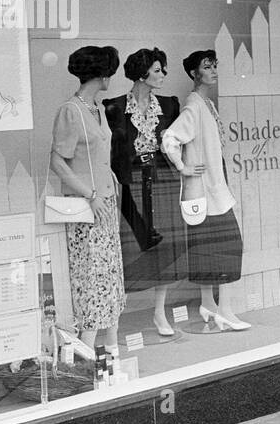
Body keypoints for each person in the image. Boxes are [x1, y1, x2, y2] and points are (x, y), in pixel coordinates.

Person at [161, 50, 250, 331]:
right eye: (207, 67)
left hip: (213, 185)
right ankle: (224, 309)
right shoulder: (194, 105)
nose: (213, 71)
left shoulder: (204, 103)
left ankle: (209, 305)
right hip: (207, 189)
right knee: (227, 245)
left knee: (209, 247)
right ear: (193, 73)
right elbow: (170, 138)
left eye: (215, 65)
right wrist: (182, 167)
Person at [49, 46, 127, 360]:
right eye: (110, 71)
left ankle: (111, 347)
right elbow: (57, 161)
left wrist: (110, 187)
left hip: (106, 203)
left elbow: (99, 154)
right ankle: (86, 348)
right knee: (92, 278)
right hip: (88, 207)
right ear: (102, 73)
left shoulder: (95, 107)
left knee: (110, 275)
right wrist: (89, 194)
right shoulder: (71, 111)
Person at [105, 48, 185, 338]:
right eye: (157, 70)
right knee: (129, 245)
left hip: (161, 178)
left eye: (163, 69)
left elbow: (178, 141)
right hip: (130, 181)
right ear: (142, 73)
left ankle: (159, 311)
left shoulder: (169, 105)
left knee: (163, 245)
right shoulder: (113, 107)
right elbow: (110, 151)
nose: (162, 75)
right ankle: (117, 316)